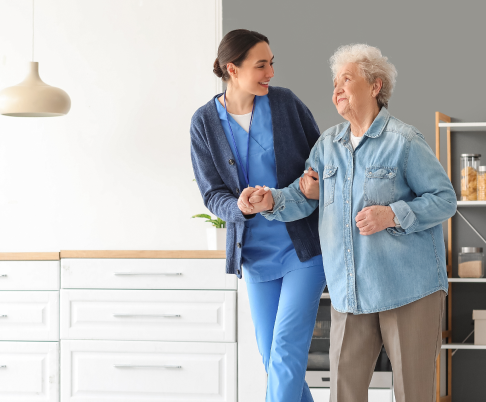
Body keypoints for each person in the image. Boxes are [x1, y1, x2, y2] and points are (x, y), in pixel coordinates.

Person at [239, 43, 457, 402]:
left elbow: (444, 199)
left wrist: (391, 215)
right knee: (344, 393)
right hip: (349, 292)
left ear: (375, 86)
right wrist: (271, 200)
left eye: (346, 79)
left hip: (408, 291)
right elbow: (302, 195)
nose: (336, 89)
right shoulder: (327, 146)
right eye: (334, 82)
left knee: (411, 393)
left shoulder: (403, 141)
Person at [190, 29, 326, 402]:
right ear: (232, 69)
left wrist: (314, 183)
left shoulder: (284, 104)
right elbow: (212, 193)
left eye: (272, 64)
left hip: (303, 250)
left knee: (285, 352)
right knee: (275, 361)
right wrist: (239, 206)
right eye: (261, 65)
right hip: (255, 256)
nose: (270, 73)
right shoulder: (203, 122)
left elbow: (322, 159)